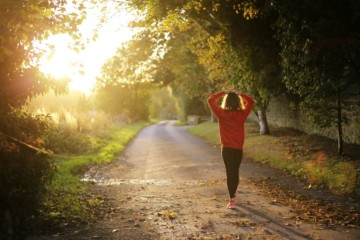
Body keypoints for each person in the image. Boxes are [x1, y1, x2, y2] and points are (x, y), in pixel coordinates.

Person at [207, 90, 254, 209]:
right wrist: (240, 94)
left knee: (230, 172)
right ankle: (233, 196)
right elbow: (251, 101)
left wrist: (222, 92)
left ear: (226, 101)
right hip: (238, 149)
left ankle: (232, 198)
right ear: (238, 102)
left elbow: (210, 100)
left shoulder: (221, 114)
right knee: (235, 171)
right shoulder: (242, 114)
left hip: (226, 149)